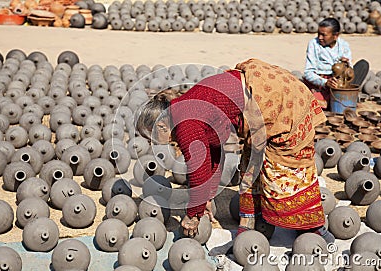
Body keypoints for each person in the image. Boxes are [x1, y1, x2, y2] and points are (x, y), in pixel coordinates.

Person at [135, 58, 335, 244]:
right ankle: (249, 226)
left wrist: (193, 215)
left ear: (161, 125)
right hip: (263, 89)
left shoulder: (185, 124)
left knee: (282, 170)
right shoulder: (183, 109)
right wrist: (207, 197)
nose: (153, 143)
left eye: (150, 137)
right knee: (251, 163)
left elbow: (198, 171)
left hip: (278, 99)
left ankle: (313, 229)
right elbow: (213, 154)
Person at [303, 18, 353, 109]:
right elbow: (308, 73)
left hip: (337, 82)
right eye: (318, 34)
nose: (320, 38)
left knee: (362, 66)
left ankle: (332, 100)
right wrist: (325, 82)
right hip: (320, 82)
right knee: (308, 100)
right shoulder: (314, 44)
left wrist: (347, 65)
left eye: (323, 35)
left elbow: (350, 70)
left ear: (335, 36)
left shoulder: (344, 45)